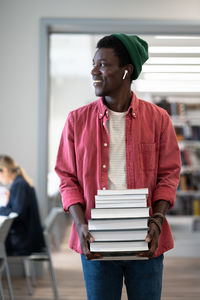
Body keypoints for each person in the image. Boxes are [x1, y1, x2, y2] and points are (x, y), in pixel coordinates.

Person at [55, 34, 181, 300]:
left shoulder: (159, 119)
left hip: (145, 238)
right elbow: (66, 177)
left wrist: (157, 222)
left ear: (126, 71)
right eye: (93, 64)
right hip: (96, 239)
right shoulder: (76, 121)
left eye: (102, 64)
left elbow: (168, 175)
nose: (93, 71)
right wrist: (80, 224)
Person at [0, 155, 45, 255]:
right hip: (29, 239)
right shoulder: (20, 183)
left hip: (25, 242)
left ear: (4, 170)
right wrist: (8, 203)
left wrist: (2, 208)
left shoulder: (19, 185)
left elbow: (18, 215)